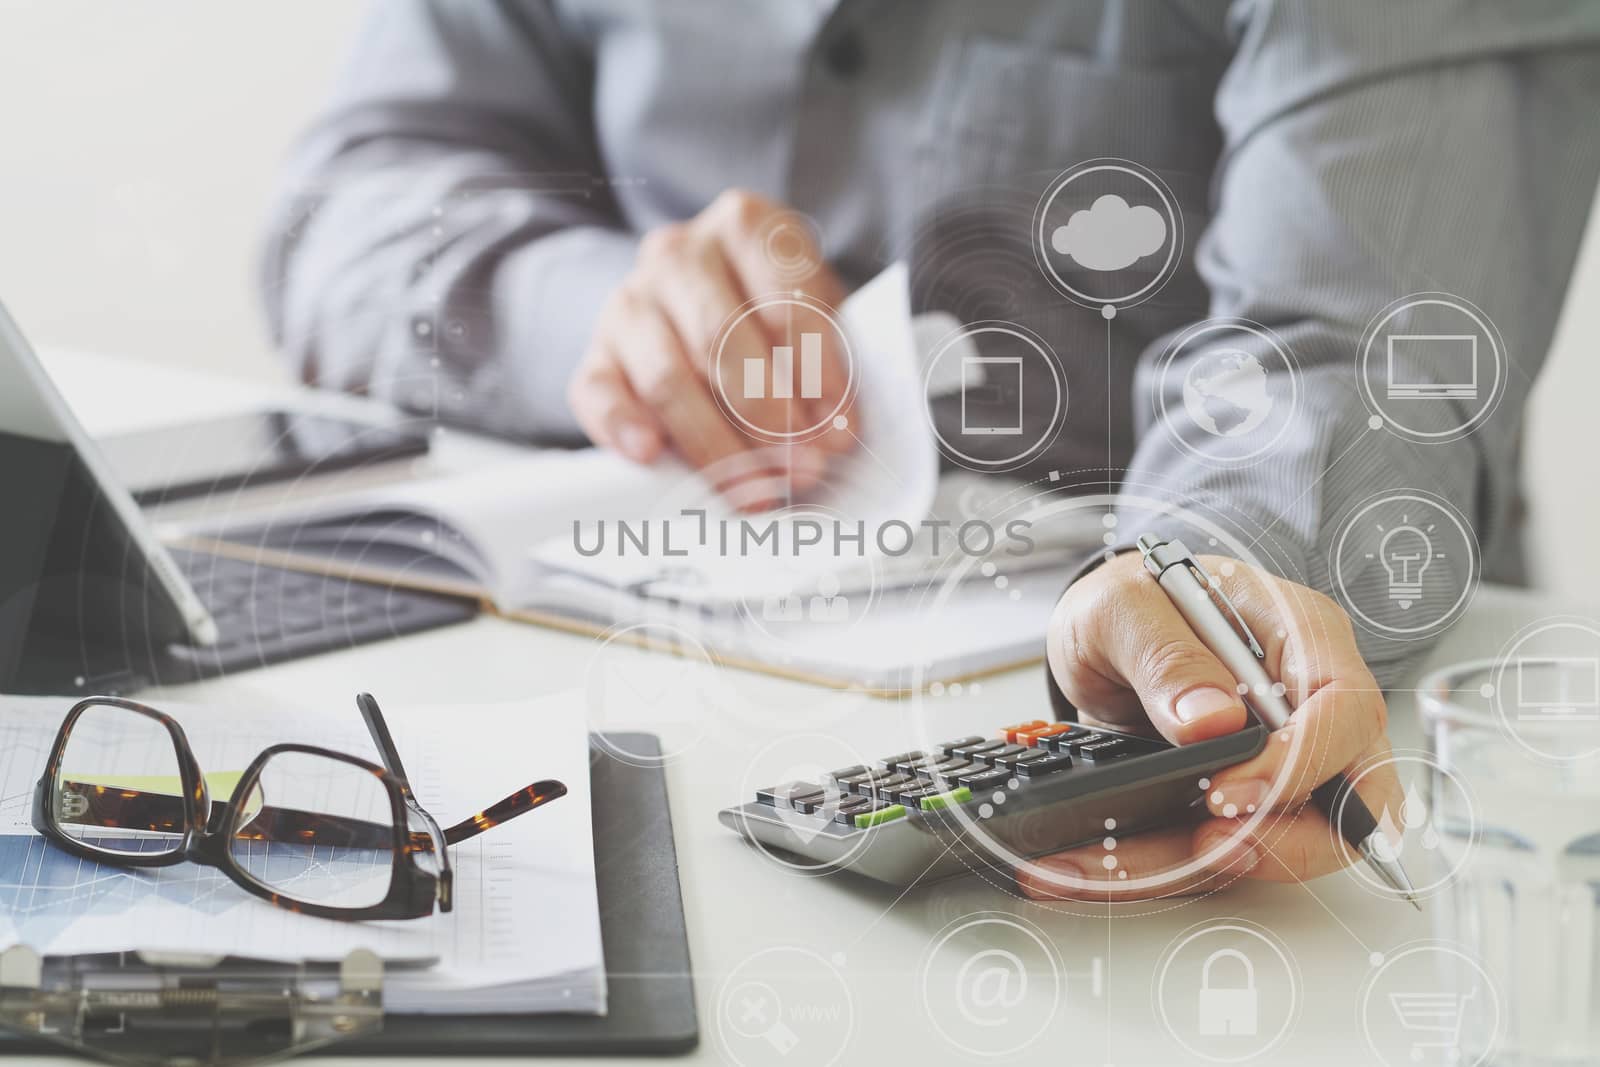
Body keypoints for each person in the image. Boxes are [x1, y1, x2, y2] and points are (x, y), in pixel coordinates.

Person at [262, 1, 1600, 900]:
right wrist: (596, 310)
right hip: (605, 681)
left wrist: (1202, 586)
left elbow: (1366, 342)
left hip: (1203, 775)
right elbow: (351, 198)